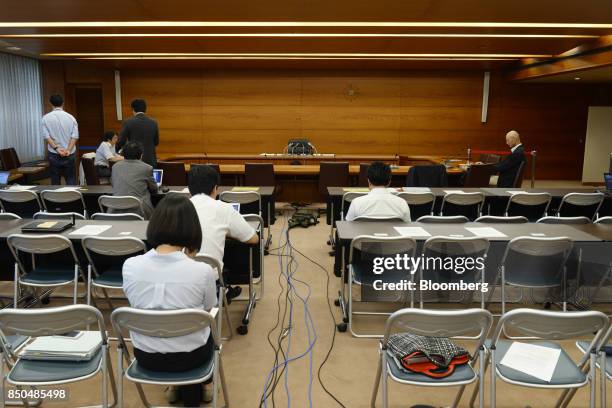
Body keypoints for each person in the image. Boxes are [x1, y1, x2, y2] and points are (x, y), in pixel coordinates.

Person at [123, 194, 217, 406]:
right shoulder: (202, 271)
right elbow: (209, 309)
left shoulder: (130, 265)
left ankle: (175, 386)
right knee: (206, 324)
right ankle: (203, 384)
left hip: (146, 356)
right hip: (192, 357)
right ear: (193, 230)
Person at [188, 164, 259, 299]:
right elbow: (253, 238)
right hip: (209, 281)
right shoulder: (224, 208)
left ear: (189, 189)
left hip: (178, 277)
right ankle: (224, 290)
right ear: (215, 188)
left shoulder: (175, 208)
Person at [345, 161, 411, 222]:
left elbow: (348, 226)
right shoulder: (402, 203)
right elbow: (408, 227)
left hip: (362, 234)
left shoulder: (356, 203)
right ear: (389, 182)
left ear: (368, 181)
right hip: (393, 235)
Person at [110, 141, 157, 219]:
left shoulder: (115, 166)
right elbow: (154, 189)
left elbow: (113, 184)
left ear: (123, 154)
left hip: (115, 210)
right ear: (141, 155)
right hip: (139, 211)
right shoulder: (147, 168)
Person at [42, 94, 79, 185]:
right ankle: (73, 198)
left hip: (54, 153)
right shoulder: (71, 117)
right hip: (69, 153)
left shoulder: (45, 118)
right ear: (63, 103)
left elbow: (47, 136)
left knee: (55, 179)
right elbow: (75, 136)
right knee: (71, 178)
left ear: (50, 103)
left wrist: (57, 149)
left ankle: (56, 198)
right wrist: (68, 150)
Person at [117, 98, 159, 167]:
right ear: (145, 109)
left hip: (134, 161)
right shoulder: (154, 123)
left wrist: (114, 151)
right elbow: (156, 142)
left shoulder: (128, 122)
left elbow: (121, 141)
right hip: (150, 160)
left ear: (133, 109)